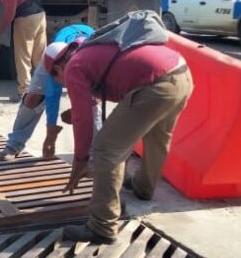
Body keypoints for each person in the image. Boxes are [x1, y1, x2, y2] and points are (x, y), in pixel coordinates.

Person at [45, 36, 193, 244]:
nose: (63, 84)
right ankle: (143, 187)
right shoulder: (89, 50)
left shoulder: (73, 67)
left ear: (58, 69)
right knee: (157, 138)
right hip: (181, 74)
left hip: (155, 85)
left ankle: (102, 226)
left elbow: (83, 120)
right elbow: (105, 88)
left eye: (58, 80)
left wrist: (80, 160)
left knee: (106, 149)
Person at [0, 23, 98, 161]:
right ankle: (14, 145)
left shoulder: (92, 60)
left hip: (83, 57)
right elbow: (52, 96)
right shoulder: (54, 60)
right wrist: (51, 135)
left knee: (92, 107)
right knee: (33, 98)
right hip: (58, 52)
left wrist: (81, 106)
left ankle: (94, 154)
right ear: (57, 68)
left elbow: (102, 92)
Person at [0, 0, 47, 102]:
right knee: (40, 56)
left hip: (25, 20)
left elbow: (10, 11)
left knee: (23, 57)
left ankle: (24, 92)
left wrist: (1, 28)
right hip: (40, 16)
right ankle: (44, 89)